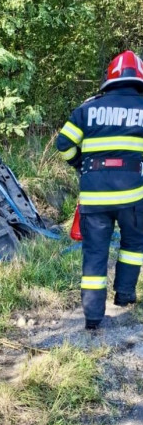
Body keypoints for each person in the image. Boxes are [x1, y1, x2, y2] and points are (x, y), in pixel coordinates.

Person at [56, 50, 143, 330]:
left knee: (95, 253)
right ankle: (125, 295)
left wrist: (80, 166)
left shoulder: (88, 108)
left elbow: (63, 144)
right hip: (134, 195)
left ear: (110, 78)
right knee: (133, 246)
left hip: (95, 196)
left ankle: (93, 317)